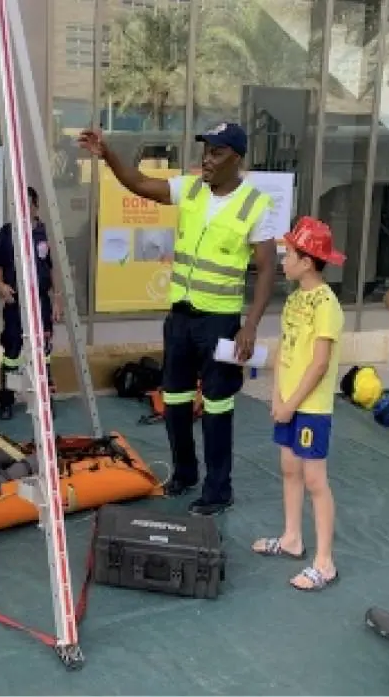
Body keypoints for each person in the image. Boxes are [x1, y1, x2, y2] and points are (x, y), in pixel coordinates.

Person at [78, 122, 277, 516]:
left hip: (220, 323)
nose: (207, 159)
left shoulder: (255, 205)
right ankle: (185, 473)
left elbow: (268, 268)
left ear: (236, 159)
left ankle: (218, 490)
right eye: (205, 150)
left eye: (217, 152)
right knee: (175, 400)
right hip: (181, 319)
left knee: (217, 407)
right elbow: (139, 183)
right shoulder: (191, 189)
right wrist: (109, 154)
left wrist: (251, 324)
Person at [251, 216, 344, 591]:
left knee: (315, 479)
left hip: (311, 408)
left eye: (289, 254)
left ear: (307, 262)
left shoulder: (327, 304)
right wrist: (277, 396)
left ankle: (325, 562)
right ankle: (292, 538)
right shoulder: (293, 300)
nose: (283, 259)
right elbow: (285, 352)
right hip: (288, 402)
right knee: (289, 468)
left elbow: (319, 364)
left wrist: (292, 404)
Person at [0, 185, 62, 420]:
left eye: (29, 204)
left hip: (40, 302)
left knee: (43, 353)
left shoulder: (44, 233)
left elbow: (51, 268)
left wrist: (57, 300)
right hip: (16, 302)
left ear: (36, 206)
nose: (25, 209)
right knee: (12, 354)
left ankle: (44, 399)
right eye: (21, 204)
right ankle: (7, 400)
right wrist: (1, 285)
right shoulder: (6, 233)